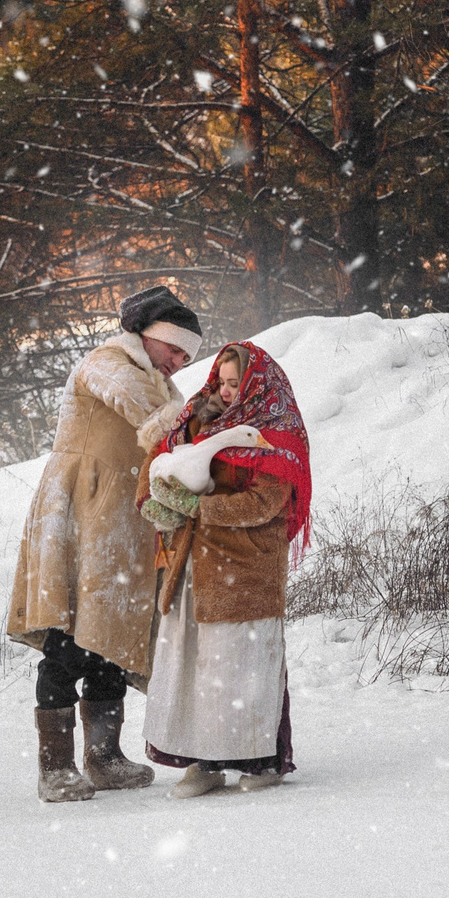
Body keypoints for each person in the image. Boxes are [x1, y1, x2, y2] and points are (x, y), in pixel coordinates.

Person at [6, 286, 203, 803]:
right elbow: (149, 417)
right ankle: (55, 767)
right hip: (81, 506)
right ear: (149, 337)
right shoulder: (107, 362)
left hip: (125, 519)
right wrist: (197, 432)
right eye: (176, 350)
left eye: (187, 358)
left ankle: (104, 757)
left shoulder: (166, 390)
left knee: (113, 636)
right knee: (68, 639)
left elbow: (173, 432)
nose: (179, 363)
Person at [138, 340, 311, 797]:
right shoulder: (196, 419)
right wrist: (154, 504)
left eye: (238, 383)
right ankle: (203, 759)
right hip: (194, 563)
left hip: (247, 565)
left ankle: (262, 759)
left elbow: (266, 502)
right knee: (197, 662)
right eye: (223, 381)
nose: (229, 392)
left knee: (243, 663)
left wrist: (199, 507)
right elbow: (156, 460)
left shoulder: (277, 427)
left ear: (257, 382)